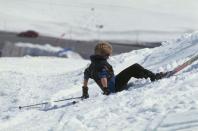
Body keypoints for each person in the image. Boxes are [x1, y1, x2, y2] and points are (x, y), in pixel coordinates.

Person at [81, 41, 168, 98]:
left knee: (131, 70)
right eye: (108, 55)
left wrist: (85, 92)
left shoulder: (91, 66)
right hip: (114, 88)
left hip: (112, 84)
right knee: (135, 67)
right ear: (103, 55)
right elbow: (103, 76)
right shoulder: (101, 65)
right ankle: (154, 77)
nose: (108, 57)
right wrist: (106, 90)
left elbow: (86, 77)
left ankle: (146, 75)